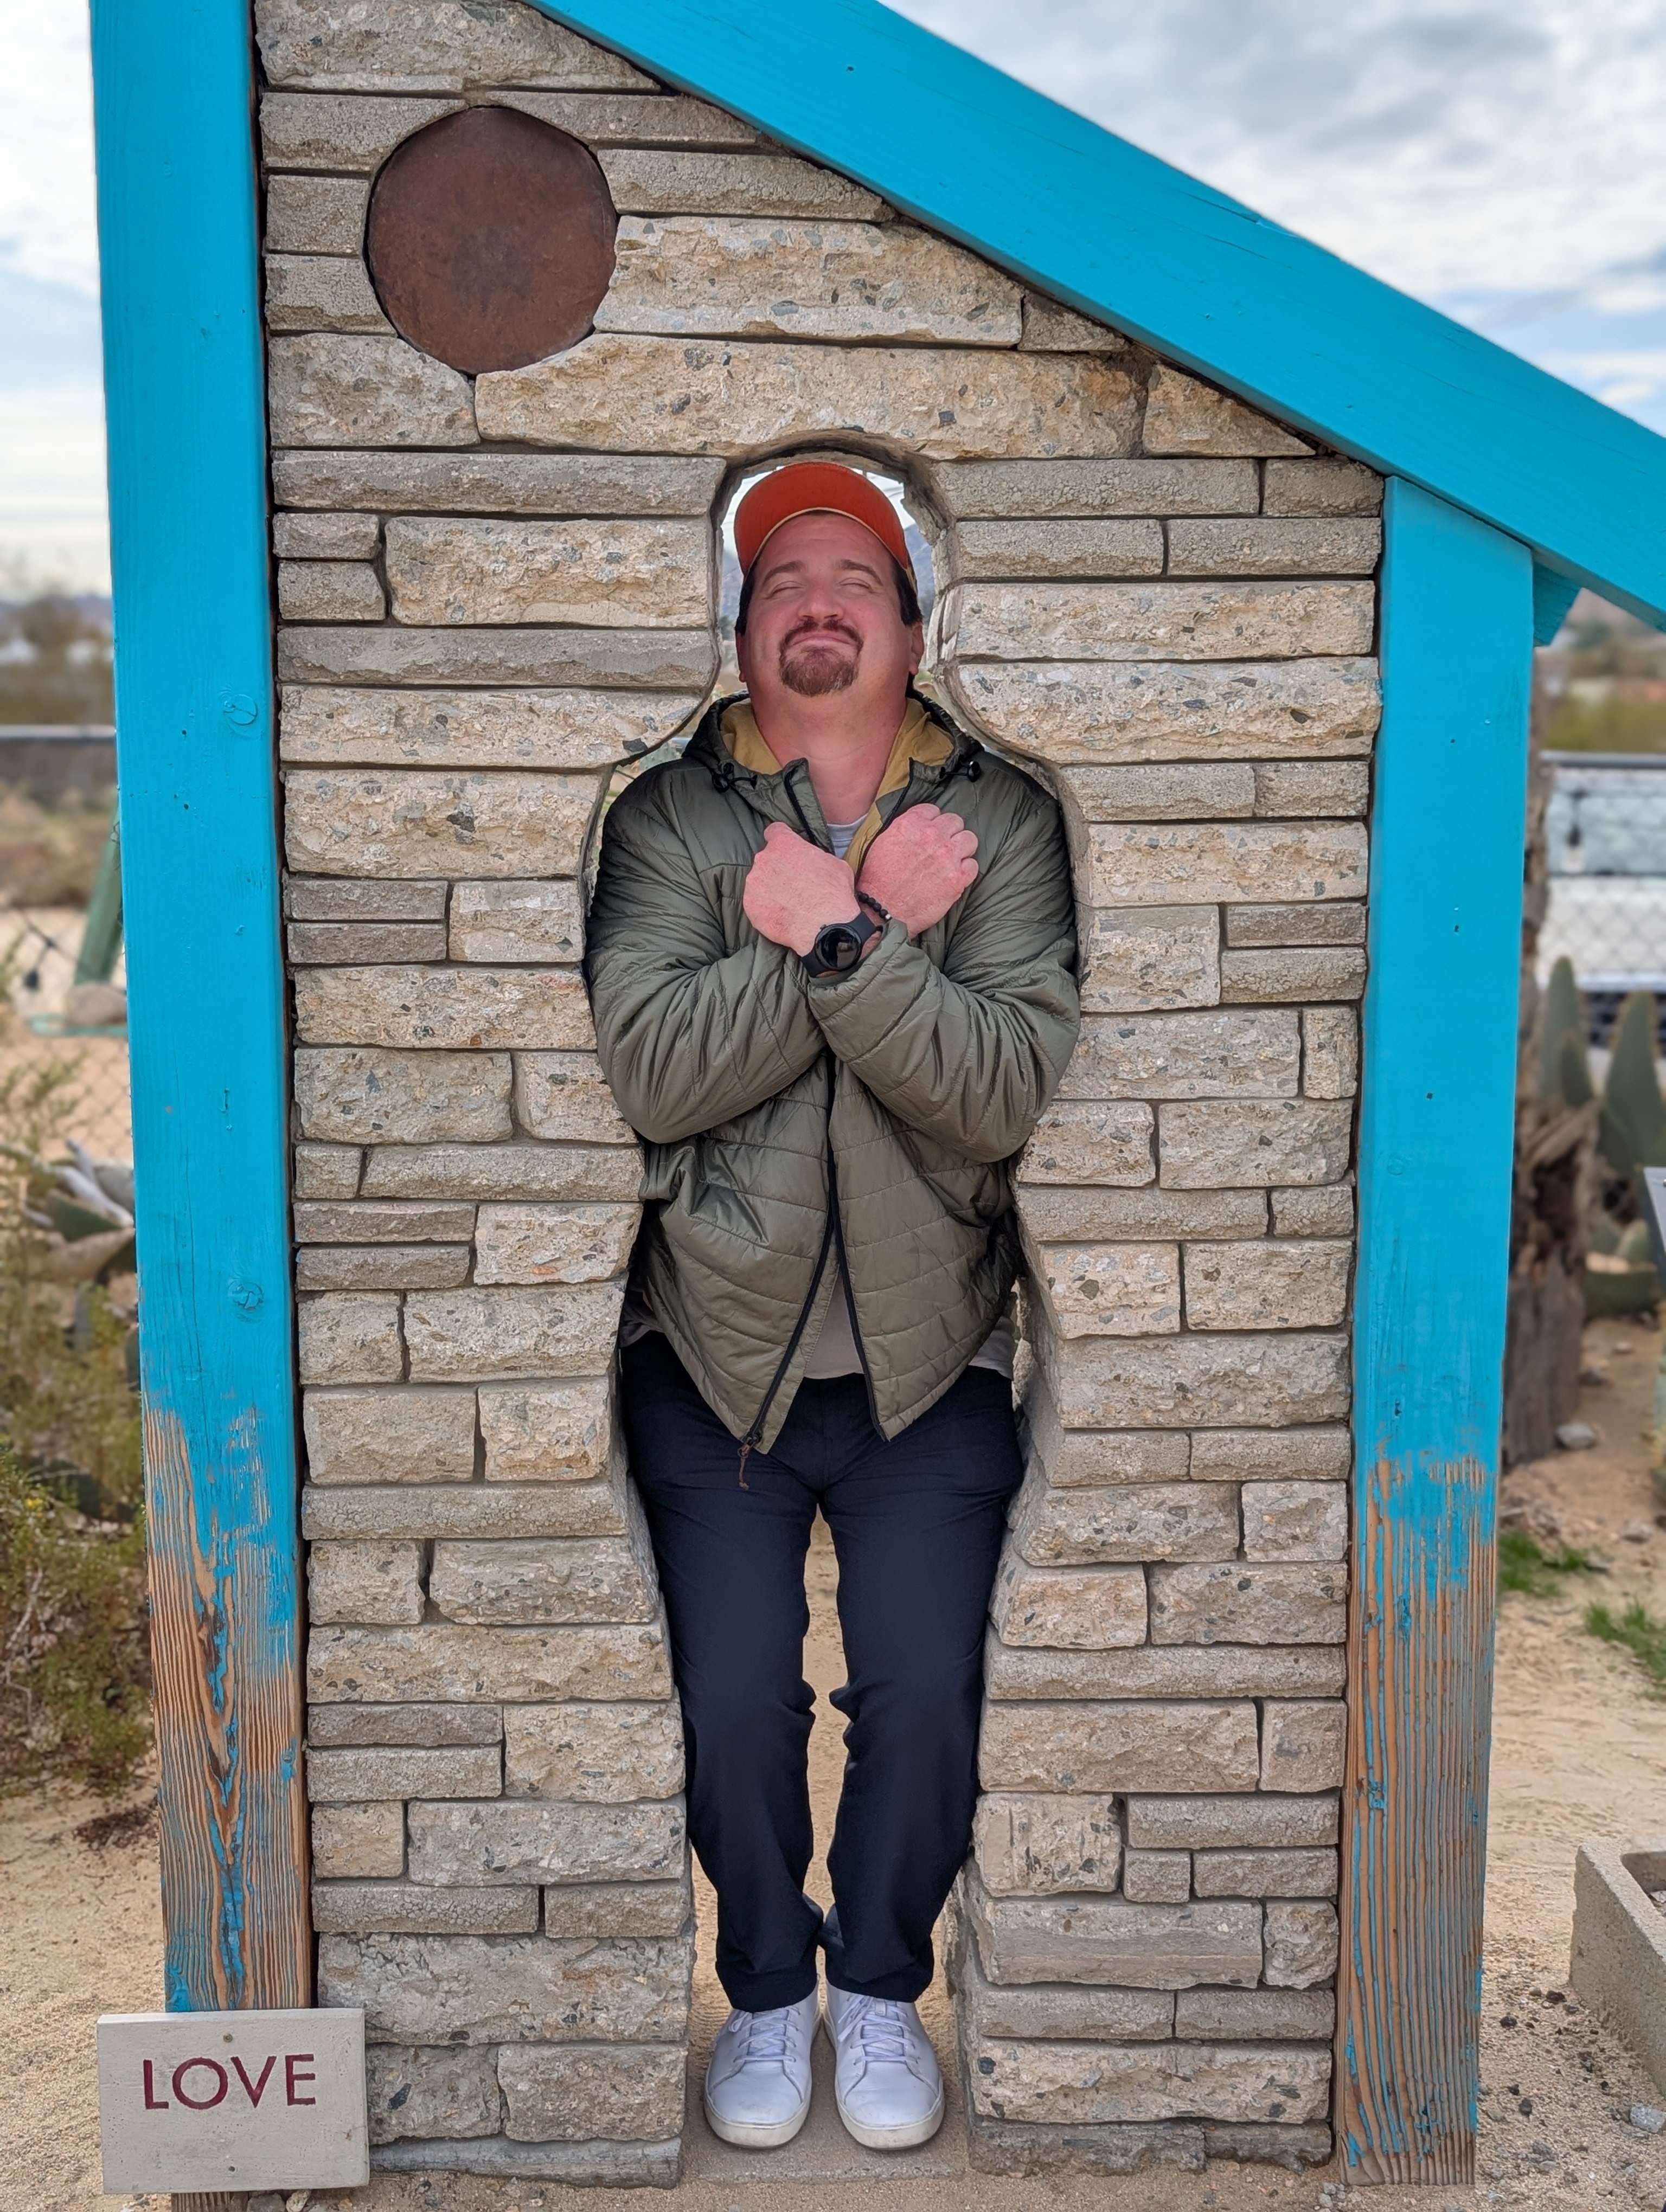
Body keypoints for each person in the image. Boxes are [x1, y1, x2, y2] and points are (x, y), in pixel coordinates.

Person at [585, 461, 1080, 2152]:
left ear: (916, 627)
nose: (817, 604)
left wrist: (838, 941)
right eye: (780, 578)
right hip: (709, 1357)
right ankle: (766, 1989)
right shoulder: (671, 821)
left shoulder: (1001, 822)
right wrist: (871, 933)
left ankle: (875, 1981)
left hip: (930, 1362)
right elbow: (656, 1074)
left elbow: (997, 1091)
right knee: (733, 1702)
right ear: (737, 633)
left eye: (855, 576)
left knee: (924, 1695)